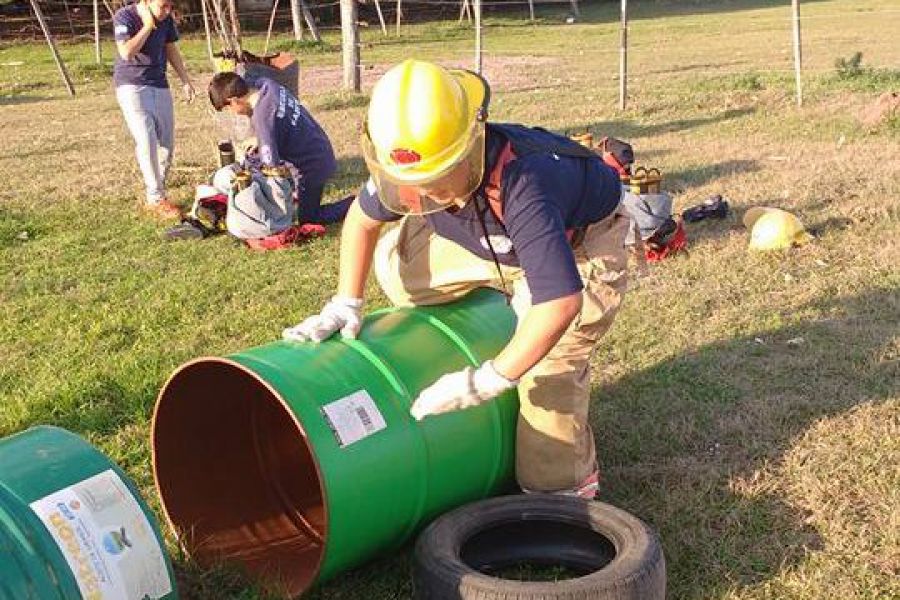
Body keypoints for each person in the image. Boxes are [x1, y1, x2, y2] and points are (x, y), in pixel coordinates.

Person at [282, 59, 630, 498]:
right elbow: (361, 220)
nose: (417, 195)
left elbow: (562, 302)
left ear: (469, 149)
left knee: (546, 377)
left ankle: (568, 481)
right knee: (396, 262)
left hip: (579, 247)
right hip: (491, 239)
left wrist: (485, 380)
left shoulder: (524, 185)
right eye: (409, 183)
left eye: (434, 181)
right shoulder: (406, 164)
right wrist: (346, 301)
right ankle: (514, 291)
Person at [208, 73, 352, 225]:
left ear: (234, 101)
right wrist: (260, 139)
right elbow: (278, 121)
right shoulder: (267, 84)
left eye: (228, 109)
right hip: (319, 145)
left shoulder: (263, 120)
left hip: (312, 167)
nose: (233, 113)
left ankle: (353, 205)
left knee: (309, 220)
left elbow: (272, 169)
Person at [113, 0, 195, 219]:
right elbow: (126, 52)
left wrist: (185, 80)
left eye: (170, 6)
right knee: (146, 138)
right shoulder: (125, 16)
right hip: (131, 85)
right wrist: (148, 26)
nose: (167, 11)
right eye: (162, 6)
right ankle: (156, 197)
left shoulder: (166, 19)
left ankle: (159, 189)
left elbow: (170, 49)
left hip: (159, 83)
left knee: (166, 144)